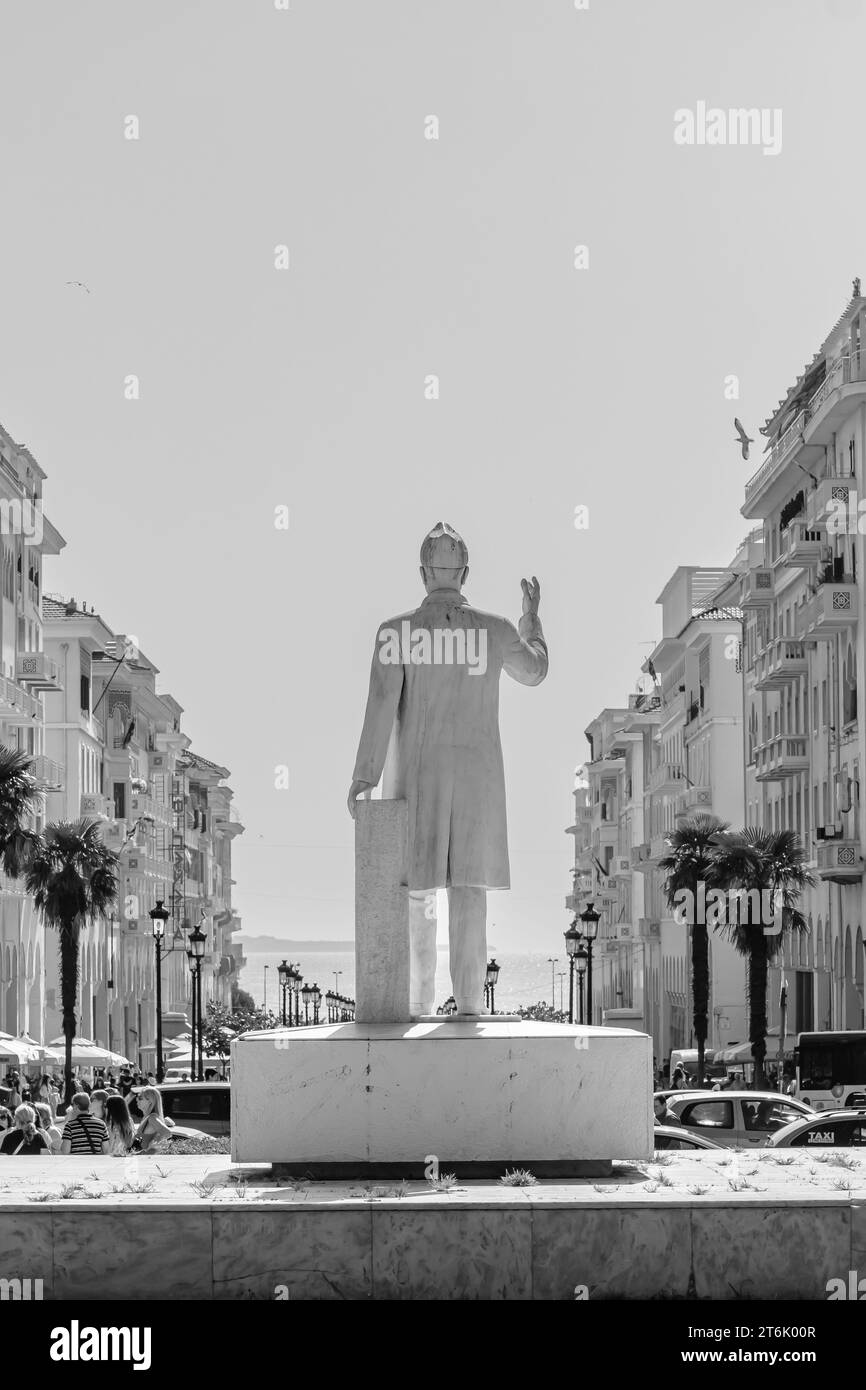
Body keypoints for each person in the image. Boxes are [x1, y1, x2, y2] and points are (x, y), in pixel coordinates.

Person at [348, 522, 548, 1017]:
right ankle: (471, 1006)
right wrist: (531, 623)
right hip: (478, 779)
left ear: (421, 573)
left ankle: (418, 1000)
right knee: (469, 891)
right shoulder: (495, 629)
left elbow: (379, 705)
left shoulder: (395, 633)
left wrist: (365, 776)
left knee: (418, 892)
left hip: (416, 776)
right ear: (465, 572)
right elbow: (536, 671)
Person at [135, 1086, 173, 1152]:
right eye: (137, 1097)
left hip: (146, 1160)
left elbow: (167, 1133)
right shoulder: (148, 1117)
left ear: (150, 1101)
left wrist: (151, 1148)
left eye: (140, 1098)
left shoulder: (152, 1117)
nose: (137, 1100)